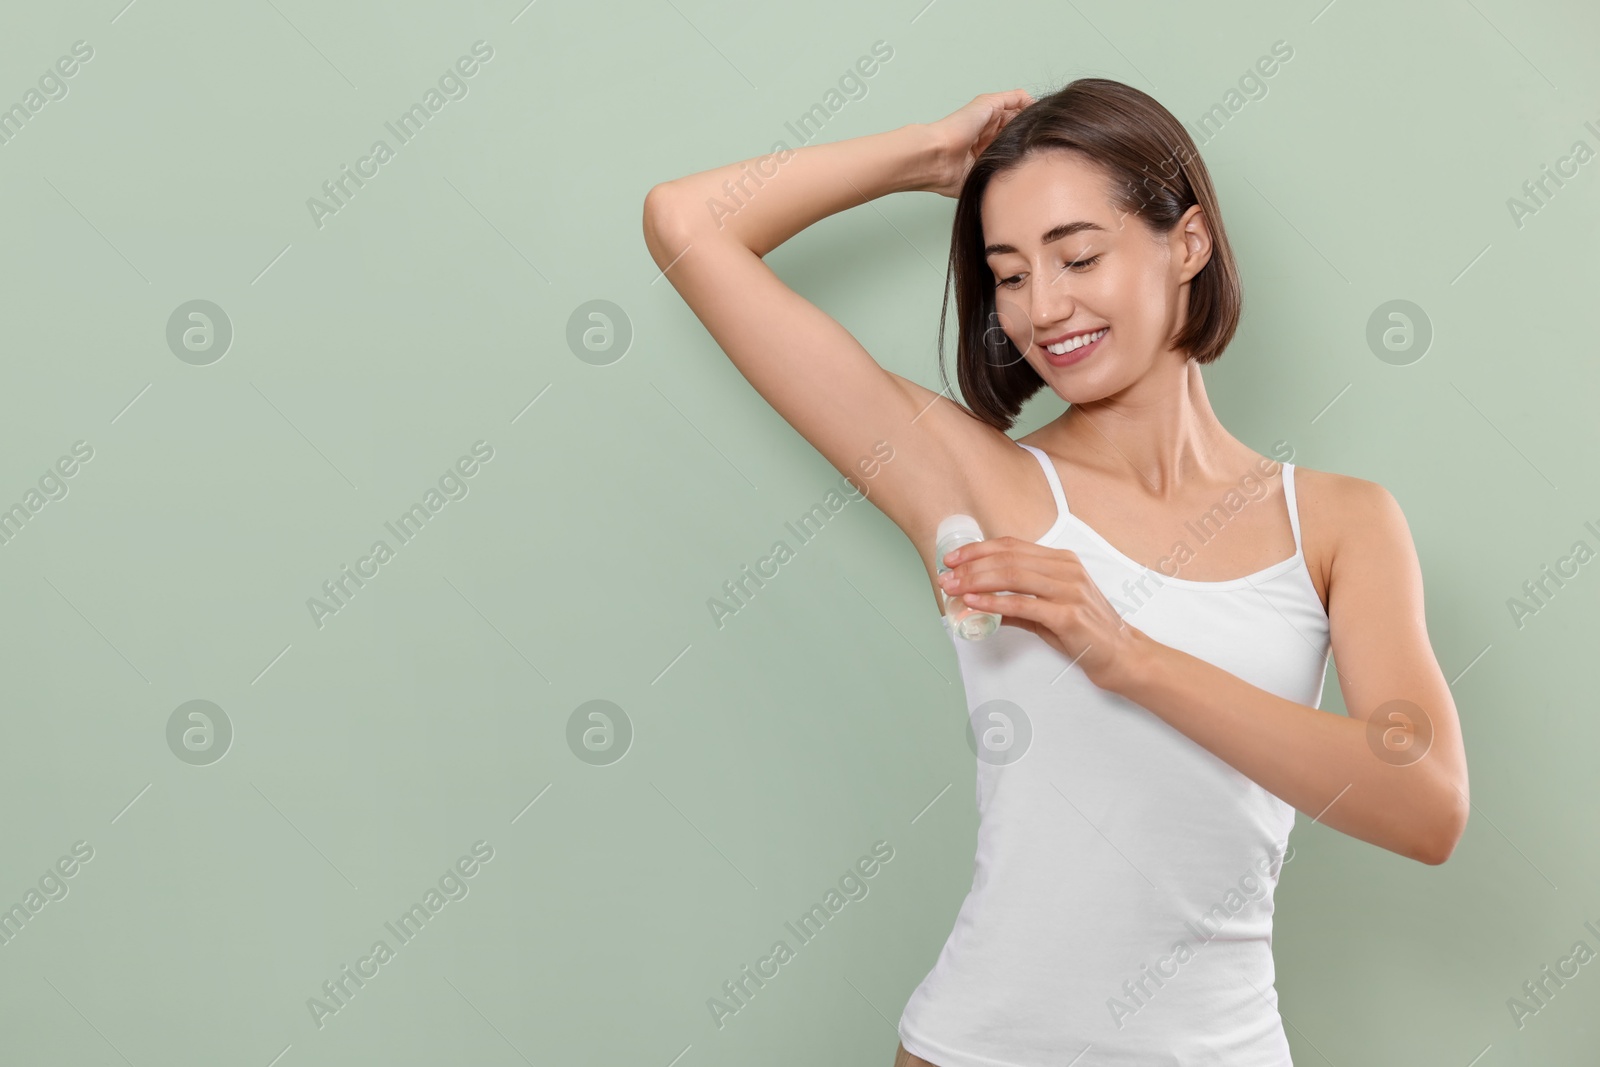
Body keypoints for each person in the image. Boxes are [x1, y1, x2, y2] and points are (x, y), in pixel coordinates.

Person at [643, 78, 1468, 1066]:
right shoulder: (967, 475)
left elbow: (1423, 802)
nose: (1045, 306)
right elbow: (685, 222)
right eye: (1008, 272)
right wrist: (927, 156)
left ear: (1188, 244)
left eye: (1077, 255)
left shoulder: (1338, 522)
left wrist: (1125, 653)